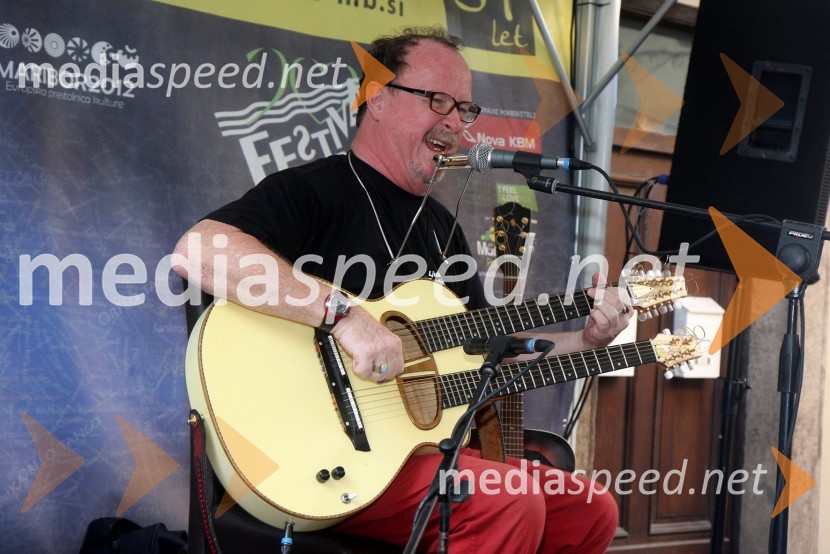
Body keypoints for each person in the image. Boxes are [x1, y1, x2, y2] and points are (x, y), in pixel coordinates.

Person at [174, 26, 630, 553]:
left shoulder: (441, 227)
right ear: (379, 97)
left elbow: (490, 358)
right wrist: (343, 315)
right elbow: (198, 251)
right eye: (438, 100)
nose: (455, 123)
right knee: (509, 497)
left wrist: (587, 343)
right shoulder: (313, 190)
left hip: (414, 452)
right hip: (317, 454)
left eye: (464, 109)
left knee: (589, 509)